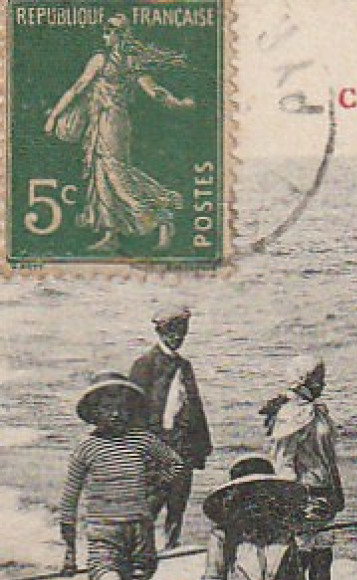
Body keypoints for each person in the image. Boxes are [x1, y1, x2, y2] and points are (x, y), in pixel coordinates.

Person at [57, 371, 184, 580]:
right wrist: (69, 552)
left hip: (140, 539)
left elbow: (176, 465)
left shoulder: (142, 441)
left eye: (121, 406)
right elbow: (68, 503)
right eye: (107, 406)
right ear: (95, 411)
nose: (115, 413)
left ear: (130, 409)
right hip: (104, 541)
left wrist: (154, 494)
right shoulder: (86, 447)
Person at [42, 12, 195, 252]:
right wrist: (177, 103)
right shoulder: (130, 61)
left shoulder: (102, 61)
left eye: (110, 30)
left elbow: (78, 88)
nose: (106, 35)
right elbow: (154, 90)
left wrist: (53, 116)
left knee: (115, 174)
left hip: (110, 122)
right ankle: (111, 233)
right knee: (103, 174)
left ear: (120, 34)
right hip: (107, 121)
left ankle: (163, 217)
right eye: (105, 30)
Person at [262, 354, 344, 580]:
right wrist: (293, 501)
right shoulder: (289, 416)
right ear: (304, 381)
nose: (323, 384)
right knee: (301, 558)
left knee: (323, 557)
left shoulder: (318, 411)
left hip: (323, 494)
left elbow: (328, 457)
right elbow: (283, 463)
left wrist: (336, 490)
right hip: (303, 495)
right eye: (318, 379)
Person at [129, 306, 212, 548]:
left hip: (183, 449)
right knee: (150, 505)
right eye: (173, 332)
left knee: (178, 506)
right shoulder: (144, 365)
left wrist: (201, 447)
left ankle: (171, 549)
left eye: (182, 332)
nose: (178, 338)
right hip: (155, 450)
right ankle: (138, 553)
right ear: (161, 332)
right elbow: (133, 411)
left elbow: (195, 407)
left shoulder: (184, 366)